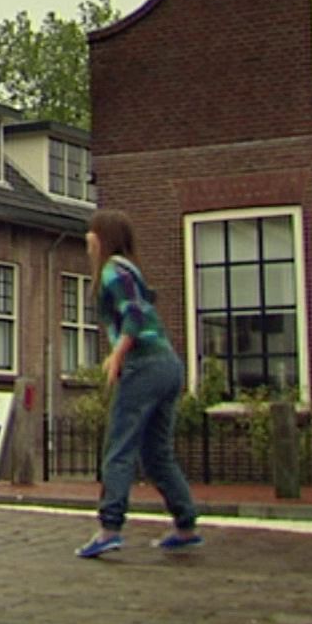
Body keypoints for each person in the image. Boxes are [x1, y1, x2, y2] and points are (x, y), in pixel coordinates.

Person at [76, 209, 201, 558]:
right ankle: (186, 525)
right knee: (156, 453)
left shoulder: (112, 270)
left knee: (119, 447)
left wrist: (118, 354)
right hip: (168, 365)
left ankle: (109, 528)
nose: (87, 237)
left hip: (143, 365)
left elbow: (133, 312)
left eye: (91, 231)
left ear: (102, 237)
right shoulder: (131, 270)